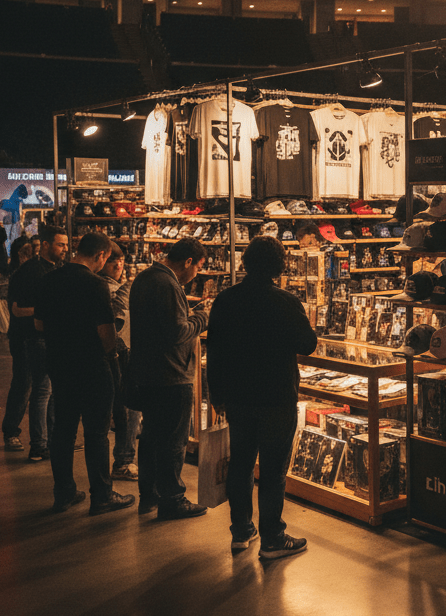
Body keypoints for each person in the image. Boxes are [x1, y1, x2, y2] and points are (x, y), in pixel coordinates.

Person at [207, 236, 317, 559]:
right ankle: (272, 537)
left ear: (245, 263)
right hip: (277, 396)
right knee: (272, 470)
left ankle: (241, 532)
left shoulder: (225, 301)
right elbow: (307, 344)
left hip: (238, 397)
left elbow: (214, 352)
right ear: (280, 266)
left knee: (240, 463)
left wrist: (217, 394)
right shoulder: (286, 302)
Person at [34, 232, 134, 514]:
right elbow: (107, 334)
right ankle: (101, 495)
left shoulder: (49, 279)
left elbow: (39, 325)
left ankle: (63, 492)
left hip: (59, 364)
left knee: (63, 430)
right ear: (101, 256)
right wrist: (112, 356)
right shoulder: (95, 285)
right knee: (96, 432)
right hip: (92, 366)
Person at [129, 238, 209, 520]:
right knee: (173, 442)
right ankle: (172, 499)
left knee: (151, 437)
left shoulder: (145, 278)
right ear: (188, 262)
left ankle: (149, 495)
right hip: (171, 375)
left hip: (150, 373)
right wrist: (201, 317)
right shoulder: (166, 283)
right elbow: (177, 331)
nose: (196, 274)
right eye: (197, 268)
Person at [1, 224, 68, 459]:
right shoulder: (30, 271)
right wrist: (49, 311)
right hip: (28, 339)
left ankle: (47, 442)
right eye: (61, 244)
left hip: (44, 338)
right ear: (46, 245)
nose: (65, 249)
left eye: (67, 245)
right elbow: (18, 310)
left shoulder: (54, 269)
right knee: (31, 388)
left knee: (45, 391)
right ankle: (28, 440)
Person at [99, 240, 139, 481]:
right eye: (113, 260)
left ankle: (122, 459)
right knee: (128, 407)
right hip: (117, 354)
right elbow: (115, 324)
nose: (118, 264)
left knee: (124, 409)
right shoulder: (108, 289)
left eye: (121, 259)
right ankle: (123, 460)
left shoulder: (116, 286)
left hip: (118, 353)